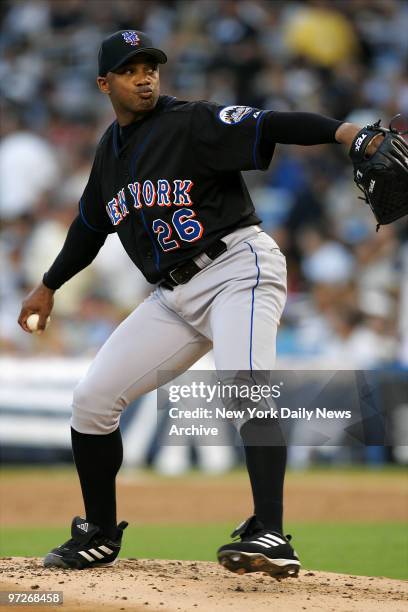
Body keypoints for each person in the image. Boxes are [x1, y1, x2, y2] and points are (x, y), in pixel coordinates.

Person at [18, 29, 368, 578]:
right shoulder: (108, 154)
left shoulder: (190, 121)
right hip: (173, 296)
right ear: (103, 83)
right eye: (131, 69)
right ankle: (101, 533)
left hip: (237, 269)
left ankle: (271, 531)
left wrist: (345, 133)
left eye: (151, 66)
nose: (145, 76)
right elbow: (90, 228)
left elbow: (270, 124)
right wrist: (48, 284)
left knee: (244, 384)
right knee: (92, 400)